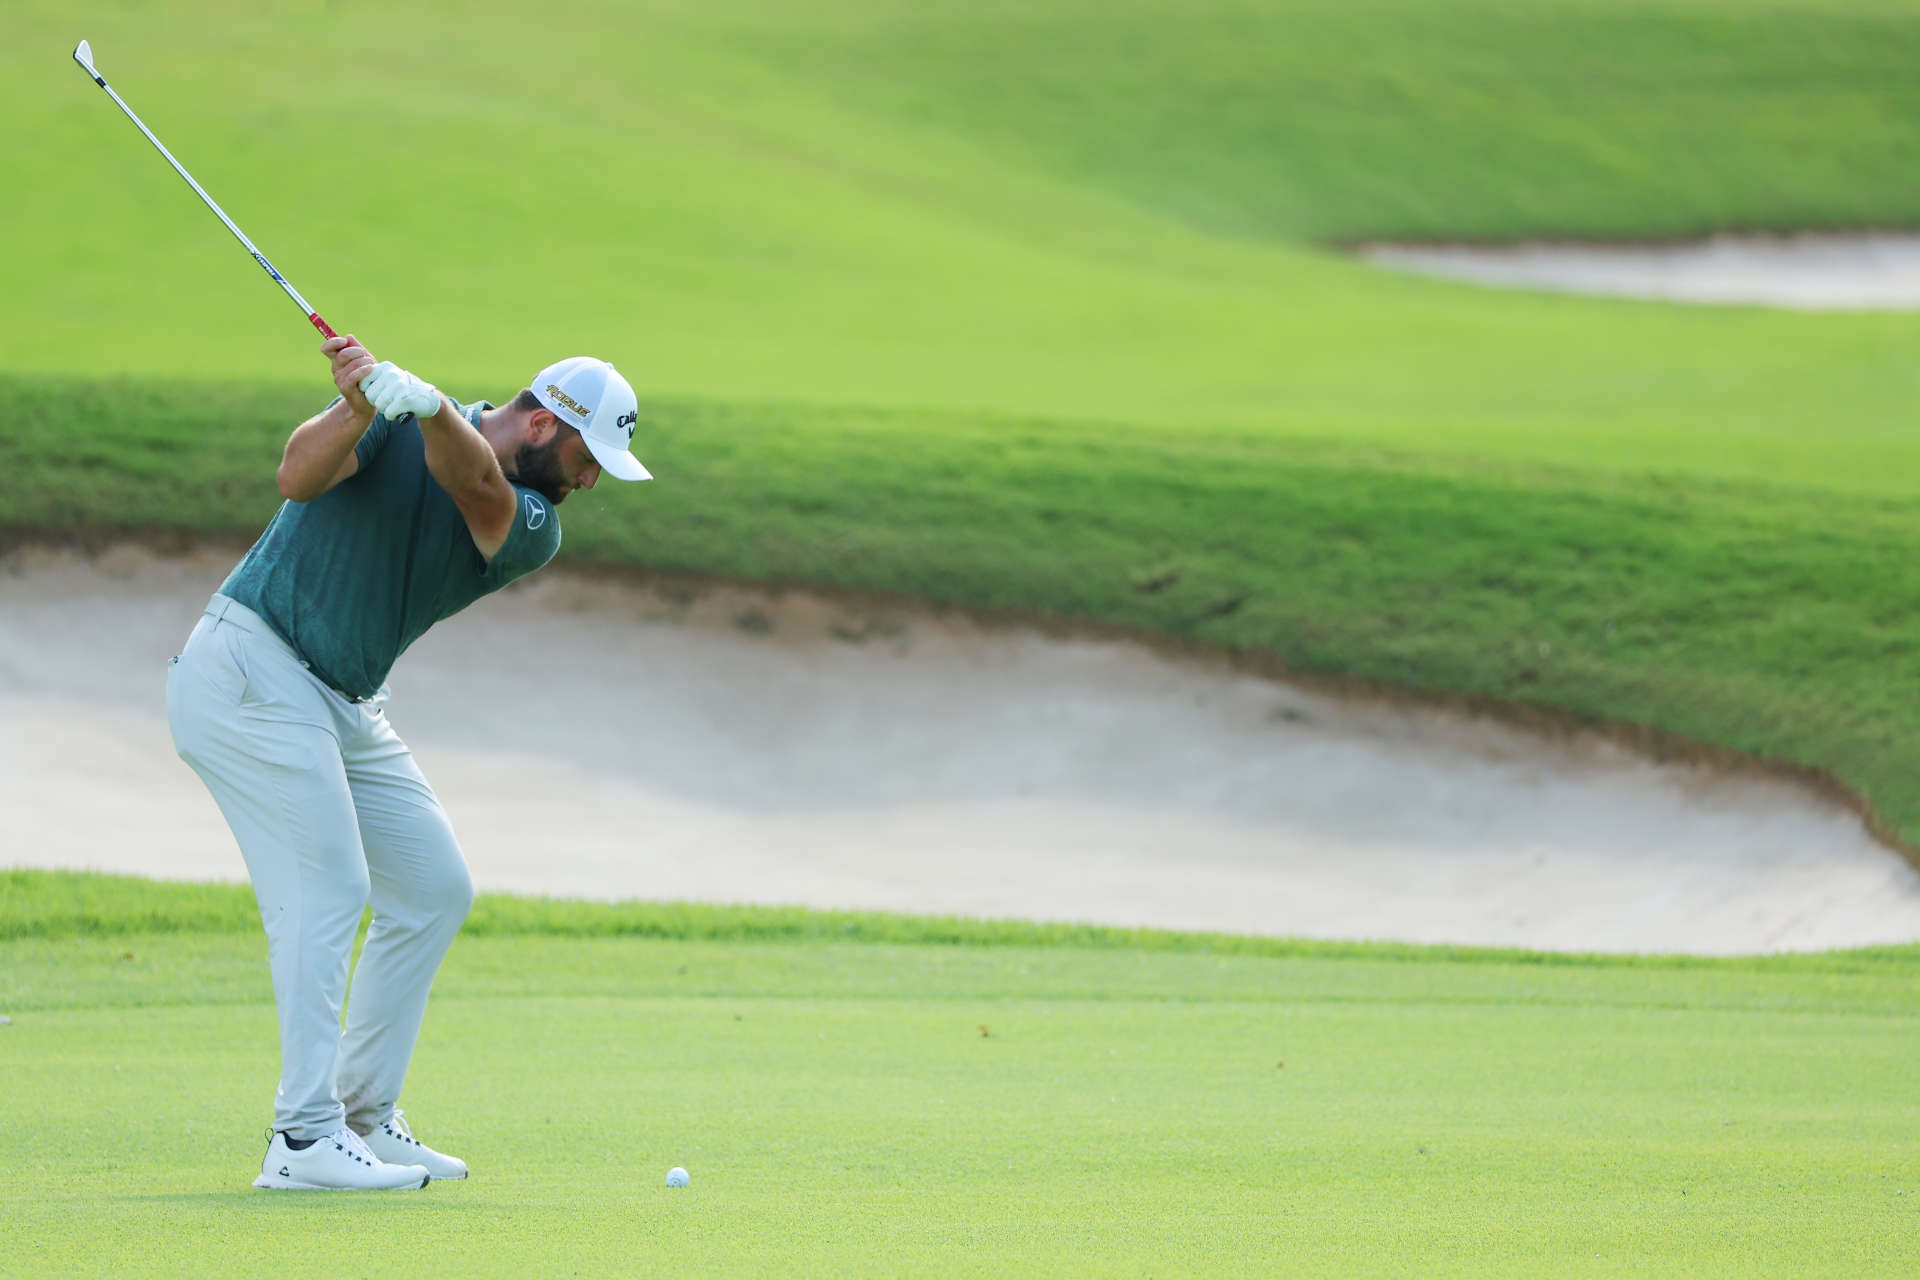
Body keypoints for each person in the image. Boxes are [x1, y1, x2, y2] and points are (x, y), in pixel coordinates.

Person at [166, 335, 650, 1190]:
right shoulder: (394, 419)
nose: (591, 481)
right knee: (330, 889)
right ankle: (304, 1140)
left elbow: (475, 483)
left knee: (431, 888)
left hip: (342, 702)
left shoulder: (532, 524)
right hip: (250, 670)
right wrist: (357, 406)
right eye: (587, 457)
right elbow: (296, 476)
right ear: (542, 423)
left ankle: (361, 1116)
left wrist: (424, 407)